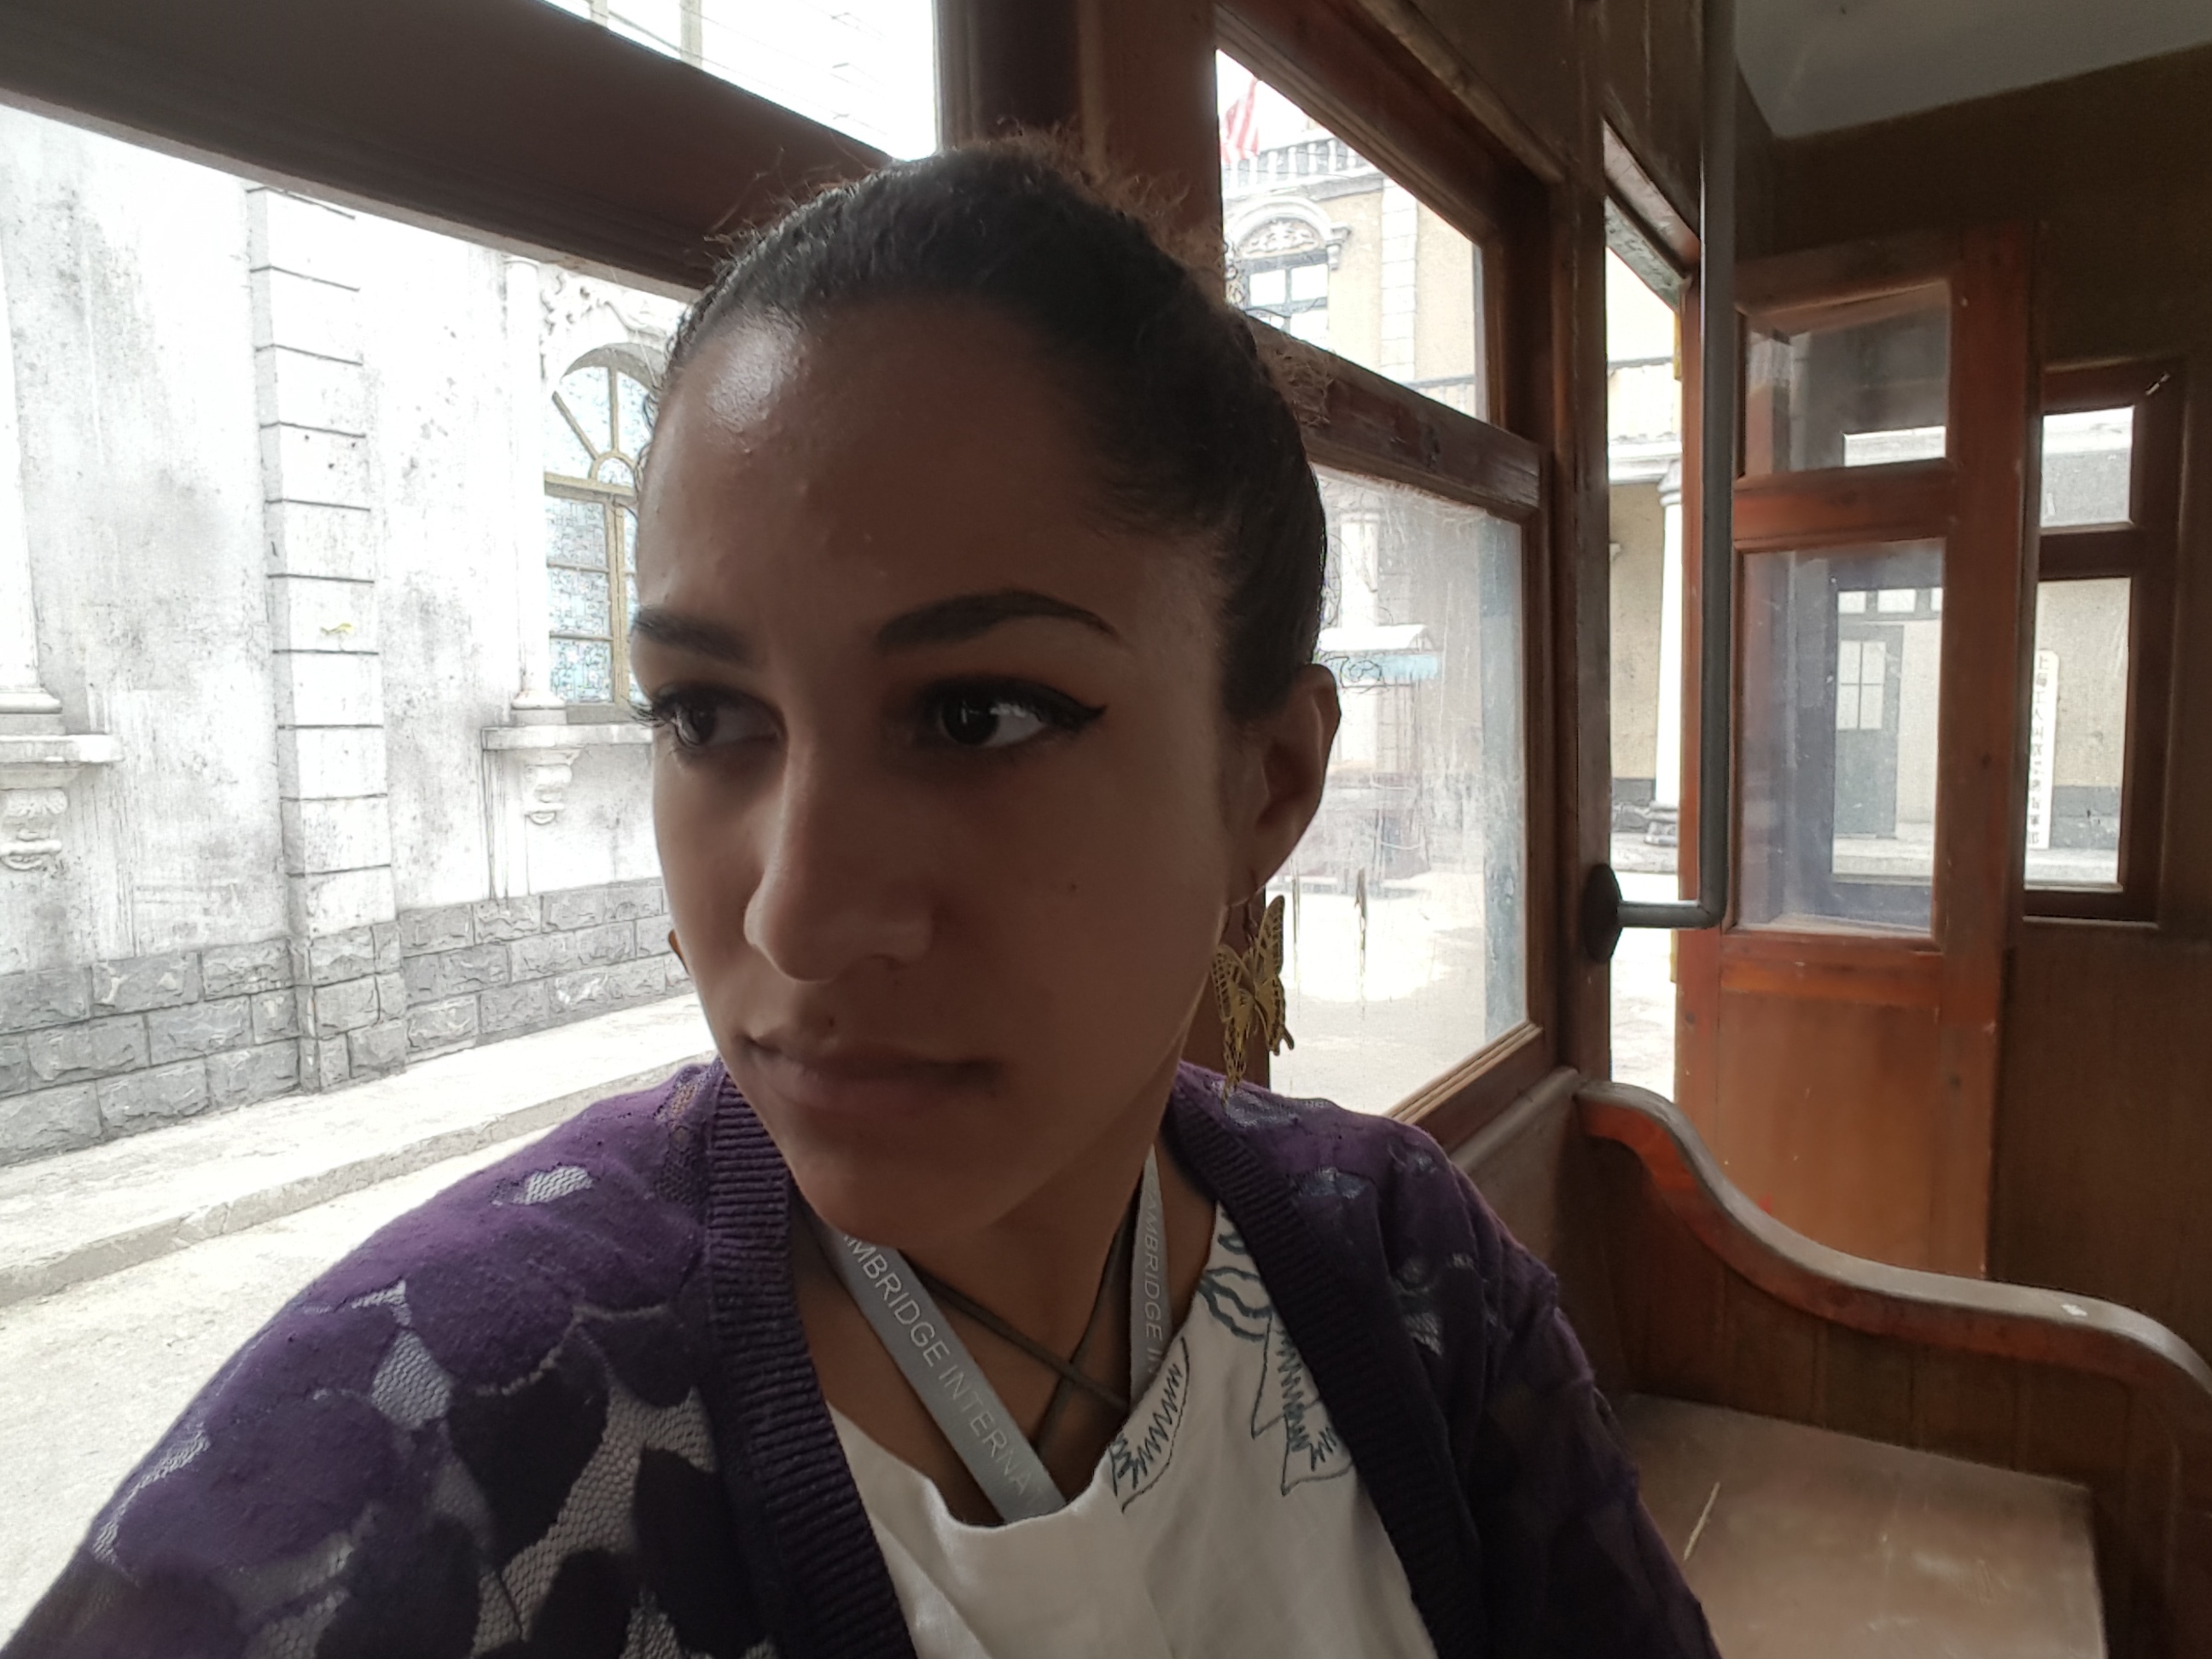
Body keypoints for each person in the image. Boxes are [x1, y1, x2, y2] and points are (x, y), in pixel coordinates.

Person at [9, 145, 1717, 1659]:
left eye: (977, 717)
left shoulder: (1406, 1283)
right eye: (706, 717)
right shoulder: (439, 1466)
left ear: (1264, 782)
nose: (797, 917)